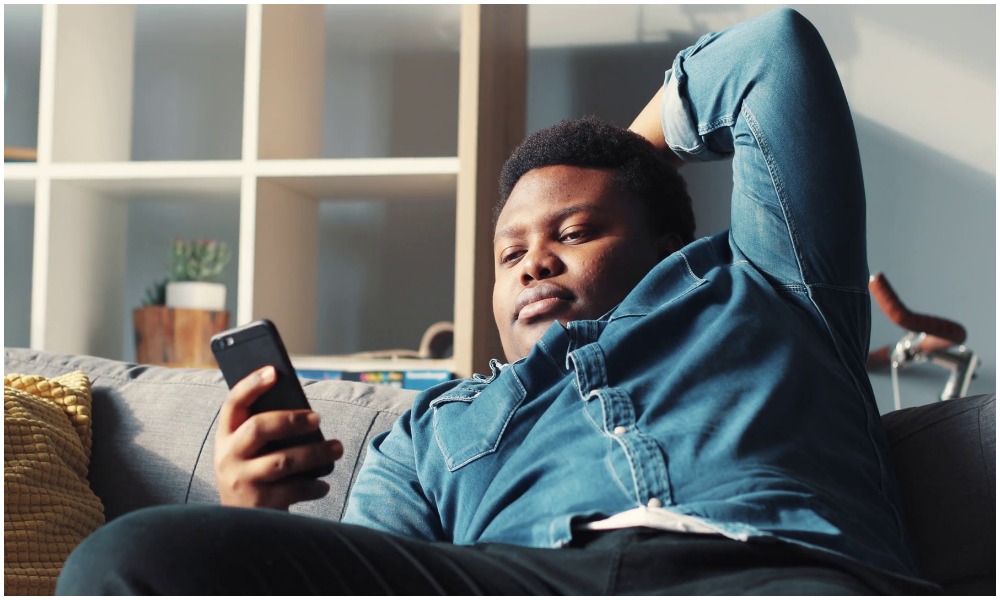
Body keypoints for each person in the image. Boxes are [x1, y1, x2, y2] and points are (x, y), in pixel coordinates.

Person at [57, 9, 937, 595]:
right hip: (517, 581)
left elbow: (772, 52)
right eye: (509, 252)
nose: (531, 265)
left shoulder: (771, 292)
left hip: (769, 572)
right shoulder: (432, 429)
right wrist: (254, 517)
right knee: (130, 556)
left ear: (668, 249)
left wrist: (621, 153)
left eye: (575, 233)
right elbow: (371, 570)